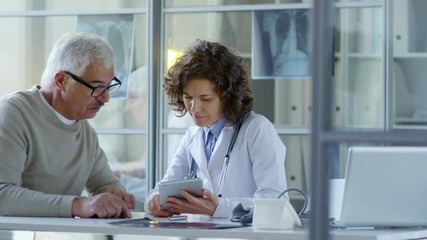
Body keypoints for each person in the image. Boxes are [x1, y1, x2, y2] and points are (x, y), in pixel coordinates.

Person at [144, 39, 287, 218]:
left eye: (206, 98)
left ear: (228, 96)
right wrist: (155, 201)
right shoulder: (193, 135)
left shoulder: (256, 129)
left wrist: (219, 208)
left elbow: (275, 202)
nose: (194, 108)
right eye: (188, 97)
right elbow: (162, 188)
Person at [0, 32, 135, 218]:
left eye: (108, 86)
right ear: (61, 80)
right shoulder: (13, 113)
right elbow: (2, 196)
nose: (105, 98)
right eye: (96, 87)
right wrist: (78, 206)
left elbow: (106, 183)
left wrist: (113, 192)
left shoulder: (85, 131)